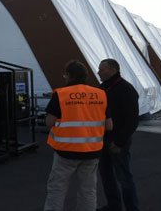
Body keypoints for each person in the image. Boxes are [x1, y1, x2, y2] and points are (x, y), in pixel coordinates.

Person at [43, 60, 112, 211]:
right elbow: (109, 126)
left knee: (57, 189)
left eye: (65, 75)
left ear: (68, 75)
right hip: (92, 152)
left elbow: (49, 122)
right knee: (88, 191)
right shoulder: (100, 94)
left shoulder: (61, 94)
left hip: (65, 153)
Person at [97, 59, 140, 211]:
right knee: (106, 175)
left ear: (113, 69)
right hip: (103, 139)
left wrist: (119, 142)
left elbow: (132, 120)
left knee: (124, 177)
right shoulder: (102, 89)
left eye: (102, 69)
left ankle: (132, 208)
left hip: (118, 140)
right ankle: (113, 206)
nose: (98, 72)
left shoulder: (126, 89)